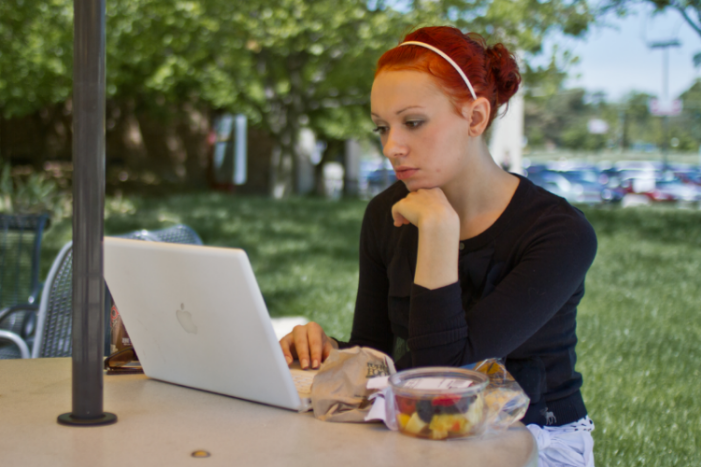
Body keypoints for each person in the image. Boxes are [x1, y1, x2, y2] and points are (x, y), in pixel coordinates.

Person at [279, 26, 596, 467]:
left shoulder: (559, 234)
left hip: (533, 438)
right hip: (416, 432)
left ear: (475, 118)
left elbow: (444, 377)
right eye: (382, 127)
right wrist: (328, 351)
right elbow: (378, 354)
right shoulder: (385, 213)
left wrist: (440, 233)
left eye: (412, 123)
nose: (392, 147)